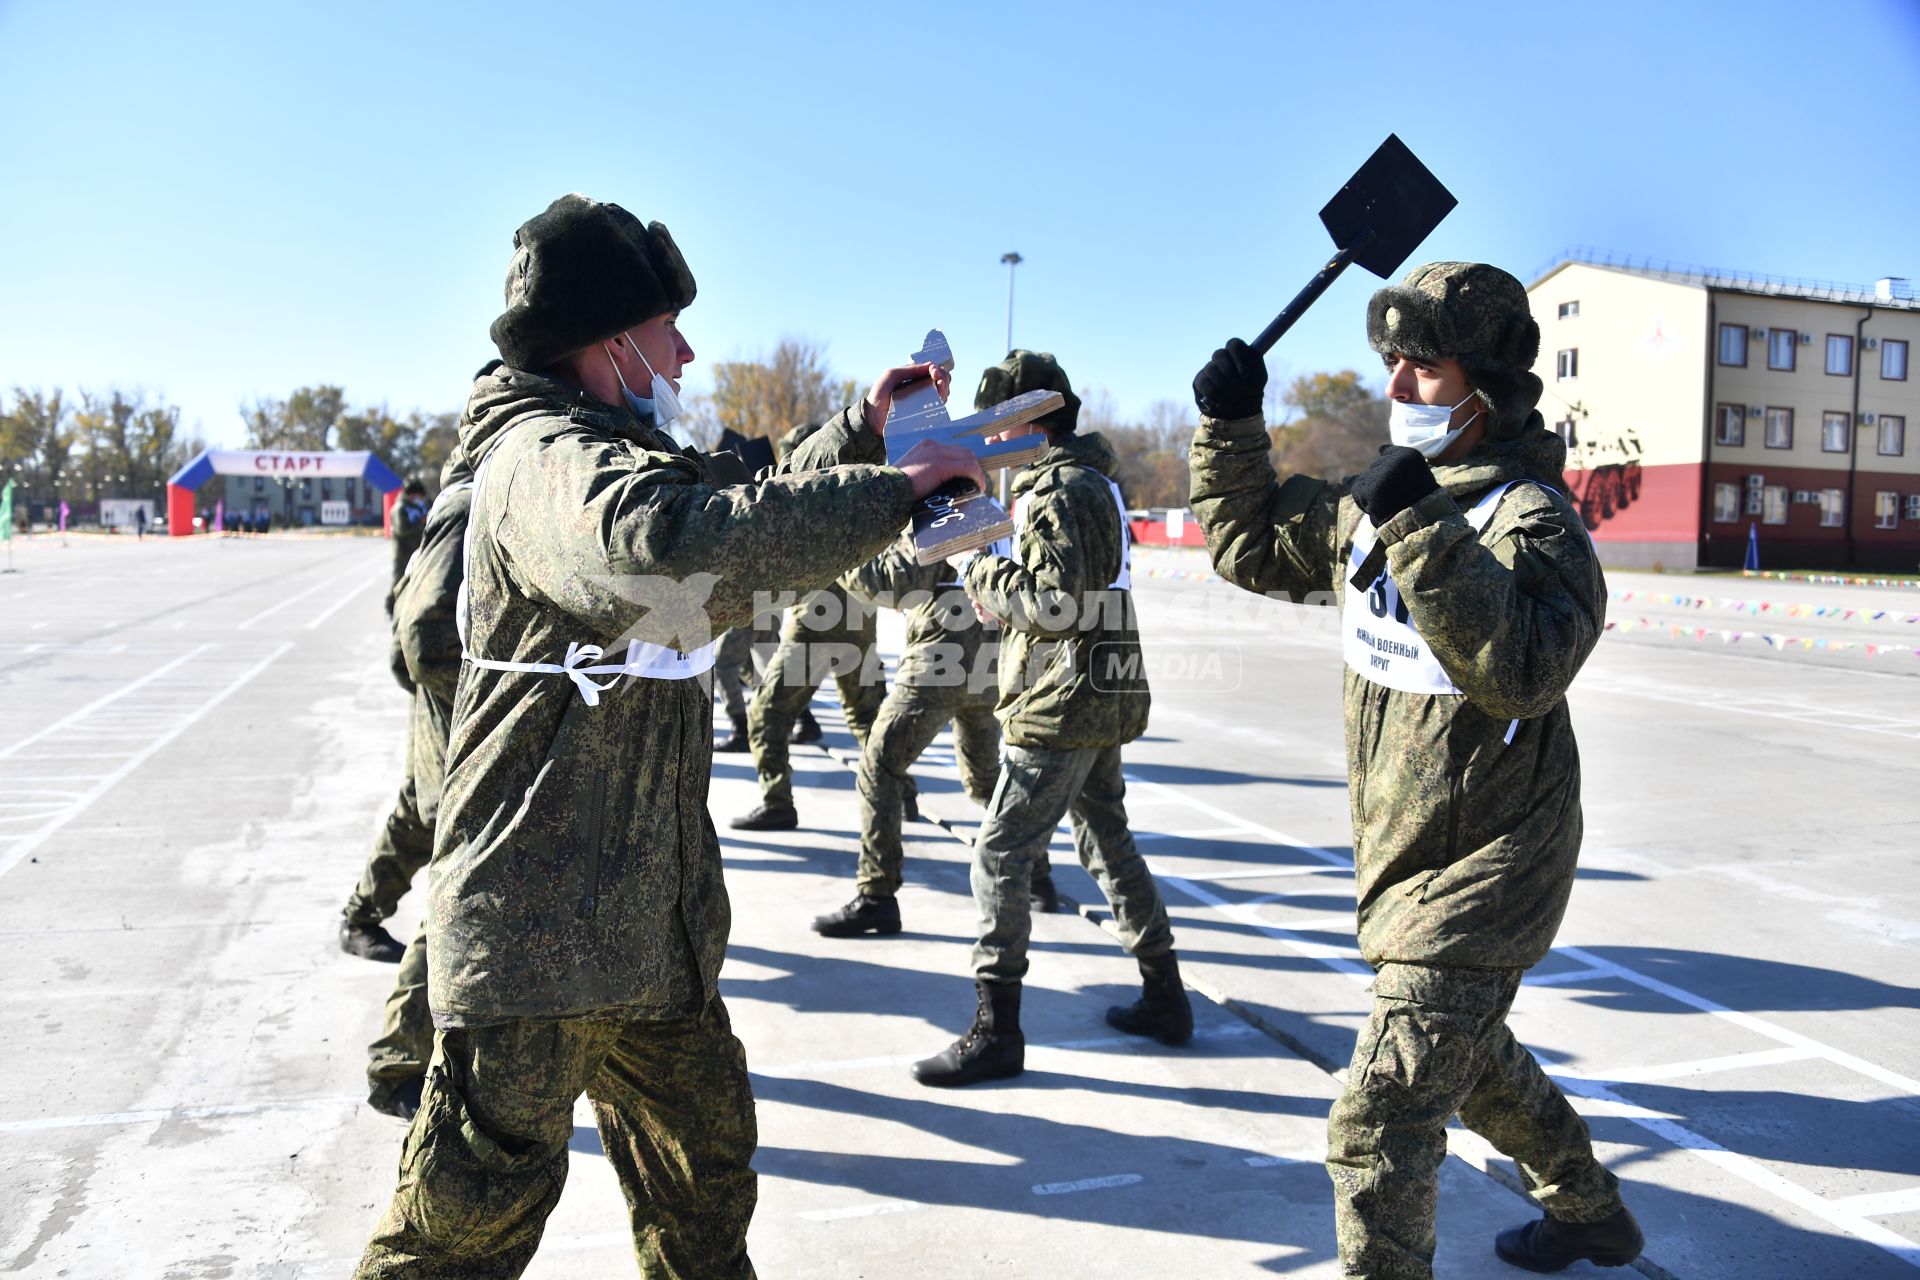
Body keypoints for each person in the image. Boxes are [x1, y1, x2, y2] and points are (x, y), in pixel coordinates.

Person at [353, 192, 984, 1279]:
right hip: (535, 949)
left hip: (652, 941)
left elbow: (728, 499)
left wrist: (864, 435)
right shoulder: (543, 463)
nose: (687, 352)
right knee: (454, 1244)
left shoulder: (616, 443)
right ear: (608, 344)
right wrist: (892, 491)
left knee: (705, 1208)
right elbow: (665, 548)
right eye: (666, 330)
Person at [1186, 261, 1641, 1278]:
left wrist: (1421, 522)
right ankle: (1589, 1209)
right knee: (1472, 1062)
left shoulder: (1534, 523)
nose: (1397, 387)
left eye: (1424, 367)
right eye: (1392, 362)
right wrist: (1232, 427)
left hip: (1492, 865)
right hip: (1403, 856)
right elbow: (1251, 543)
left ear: (1488, 387)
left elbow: (1522, 667)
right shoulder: (1383, 505)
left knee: (1376, 1123)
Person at [912, 350, 1190, 1088]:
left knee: (1000, 854)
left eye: (997, 426)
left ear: (1035, 419)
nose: (987, 442)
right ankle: (1166, 993)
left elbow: (1055, 604)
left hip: (1062, 698)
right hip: (1101, 688)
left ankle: (996, 1031)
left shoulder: (1058, 491)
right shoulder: (1092, 480)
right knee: (1106, 839)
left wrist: (978, 568)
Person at [808, 529, 1004, 937]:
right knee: (987, 781)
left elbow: (889, 582)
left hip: (939, 664)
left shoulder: (941, 510)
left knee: (878, 766)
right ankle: (1035, 873)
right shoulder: (990, 510)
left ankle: (877, 894)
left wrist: (836, 552)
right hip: (989, 662)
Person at [360, 440, 475, 1120]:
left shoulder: (469, 496)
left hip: (449, 715)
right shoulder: (468, 504)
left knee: (423, 831)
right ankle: (397, 1063)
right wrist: (477, 699)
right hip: (455, 717)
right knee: (457, 889)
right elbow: (426, 629)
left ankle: (360, 913)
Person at [386, 475, 430, 615]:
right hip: (402, 552)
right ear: (412, 493)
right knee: (398, 581)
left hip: (413, 550)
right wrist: (420, 524)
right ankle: (391, 607)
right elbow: (402, 529)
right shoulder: (399, 508)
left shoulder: (415, 507)